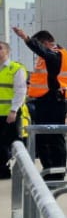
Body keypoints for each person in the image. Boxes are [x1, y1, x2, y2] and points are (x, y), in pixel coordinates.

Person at [12, 27, 67, 181]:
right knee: (43, 137)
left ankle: (57, 174)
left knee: (54, 137)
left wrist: (26, 38)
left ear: (45, 43)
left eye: (39, 45)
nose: (37, 50)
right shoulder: (48, 56)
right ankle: (48, 170)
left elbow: (45, 53)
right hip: (44, 101)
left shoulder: (56, 54)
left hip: (54, 101)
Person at [0, 41, 29, 179]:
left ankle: (10, 170)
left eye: (0, 48)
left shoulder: (15, 68)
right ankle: (3, 170)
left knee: (10, 143)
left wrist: (13, 110)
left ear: (7, 51)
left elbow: (20, 91)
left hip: (8, 113)